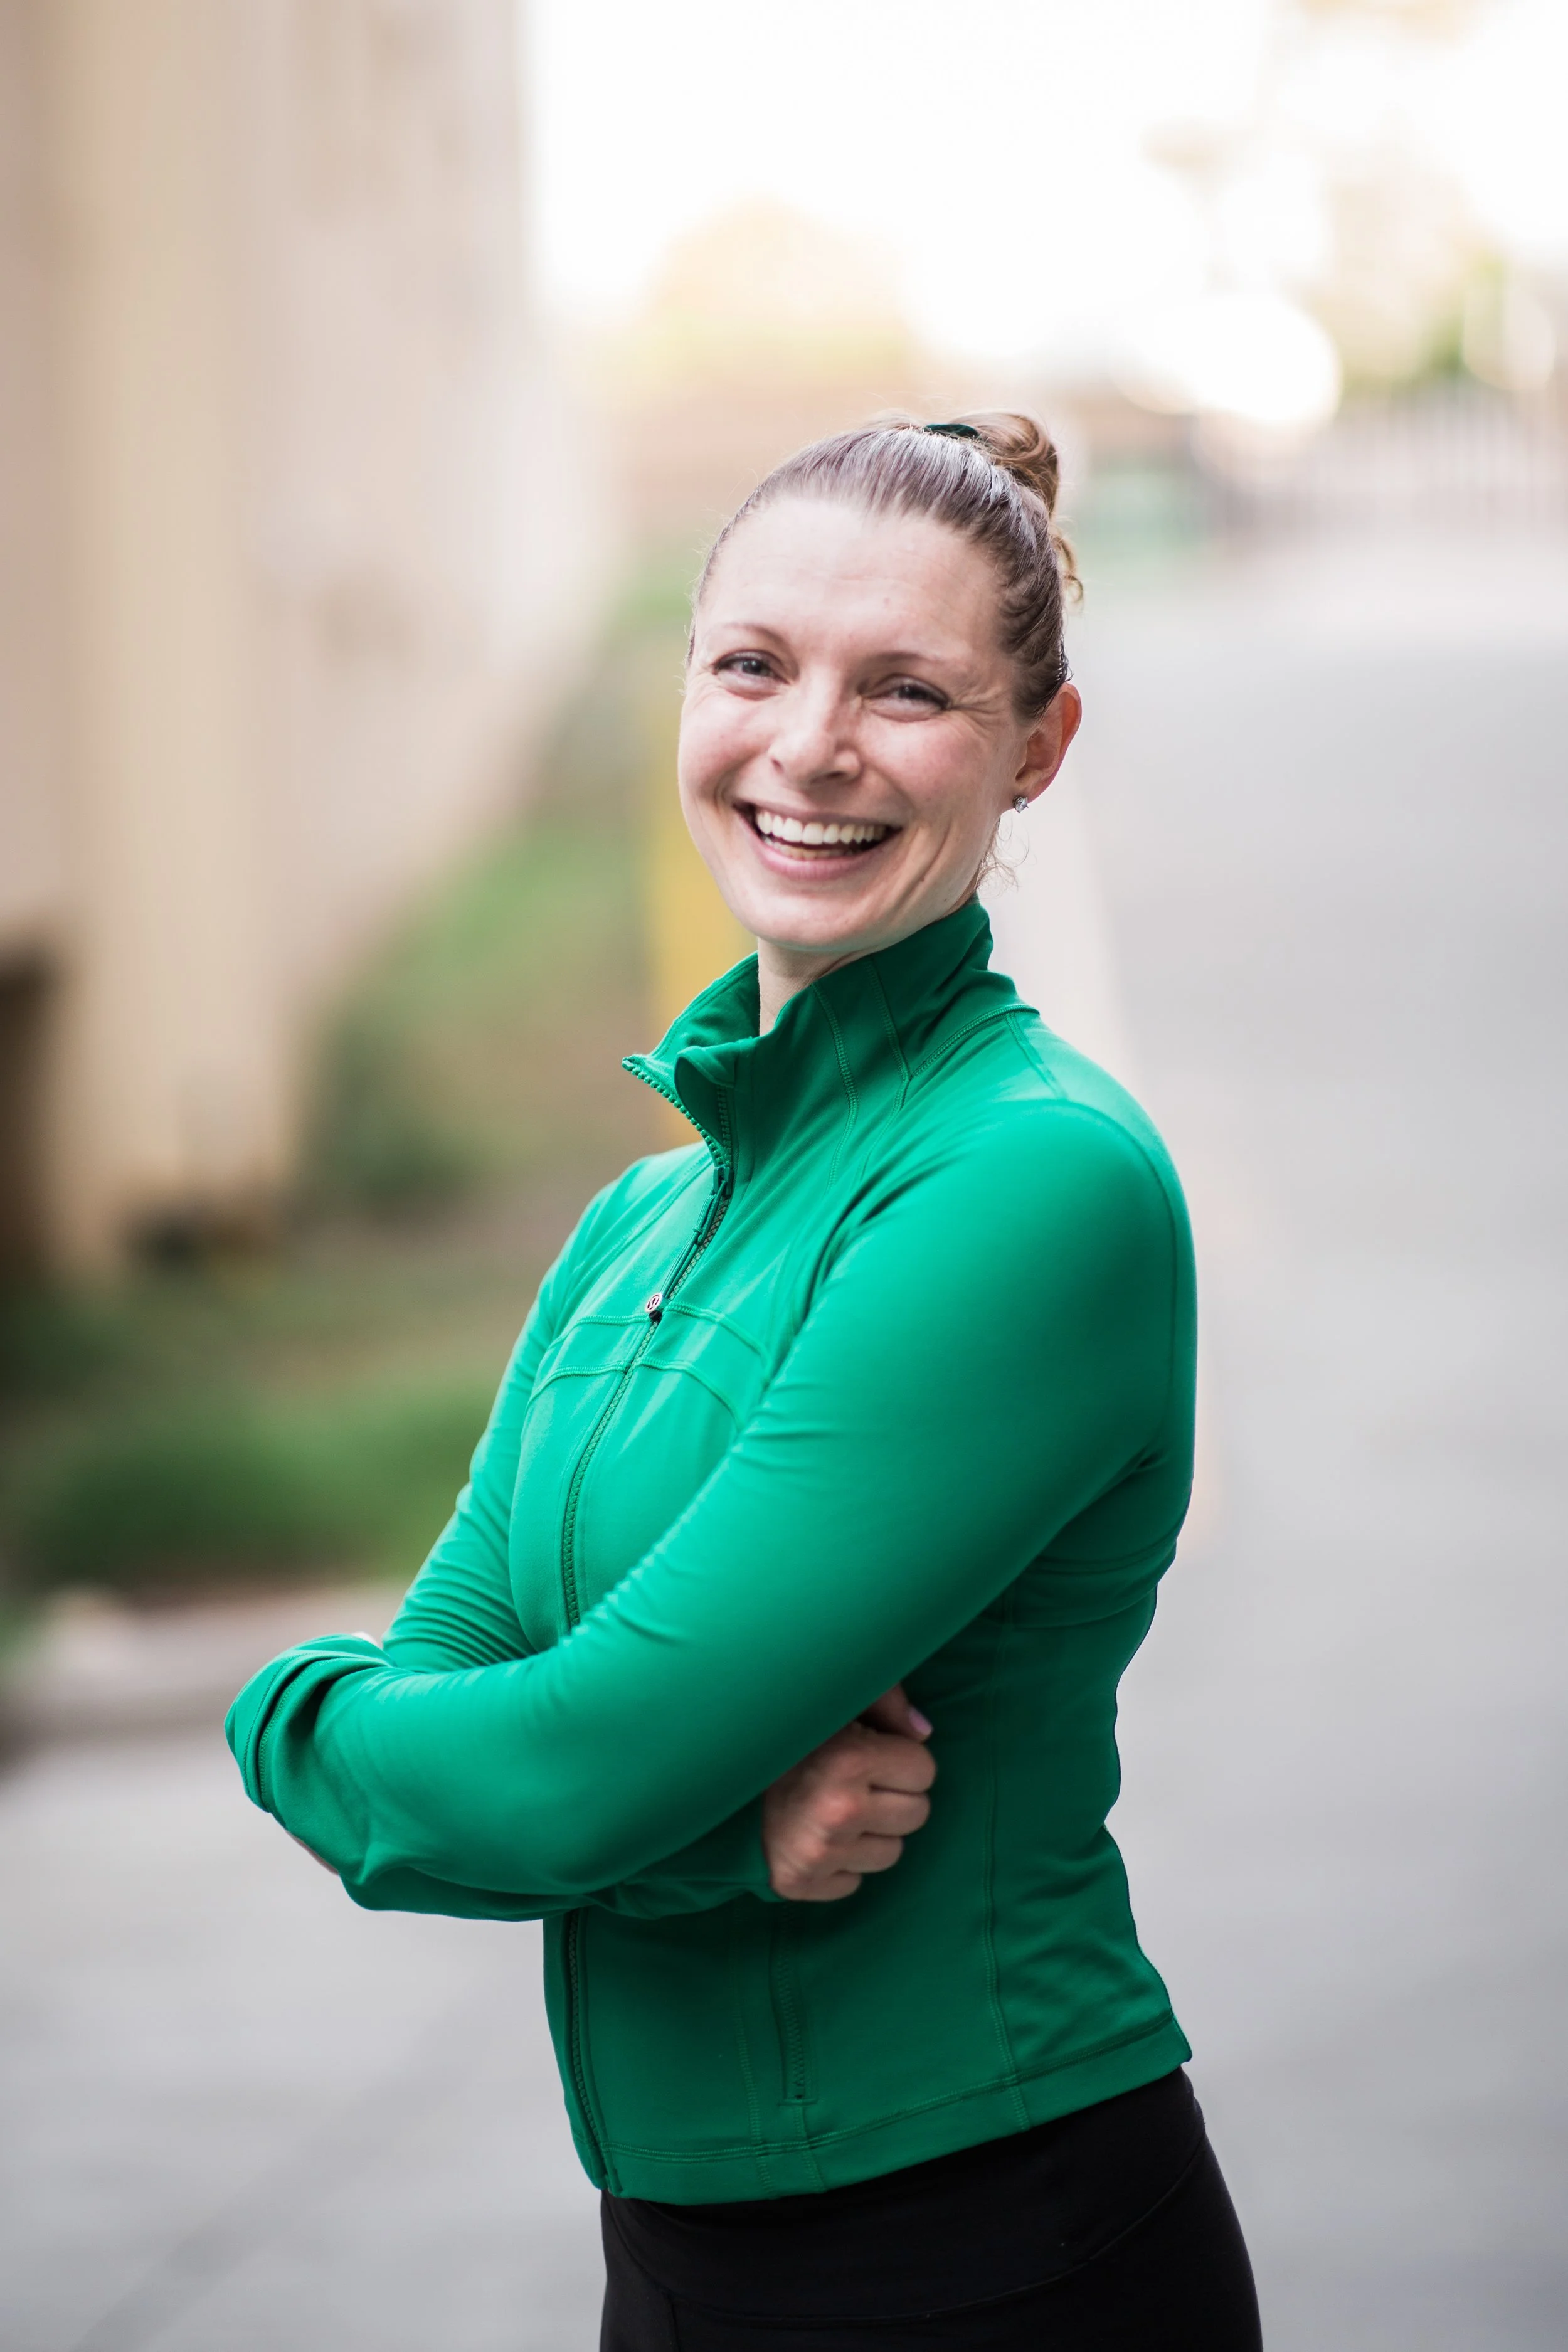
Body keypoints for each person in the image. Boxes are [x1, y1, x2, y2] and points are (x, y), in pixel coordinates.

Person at [228, 413, 1263, 2349]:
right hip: (683, 2264)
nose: (809, 747)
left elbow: (535, 1773)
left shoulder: (1030, 1180)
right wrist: (703, 1825)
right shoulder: (640, 1216)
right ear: (684, 687)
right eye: (753, 665)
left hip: (982, 2250)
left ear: (1036, 745)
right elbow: (464, 1716)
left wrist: (308, 1716)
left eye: (908, 689)